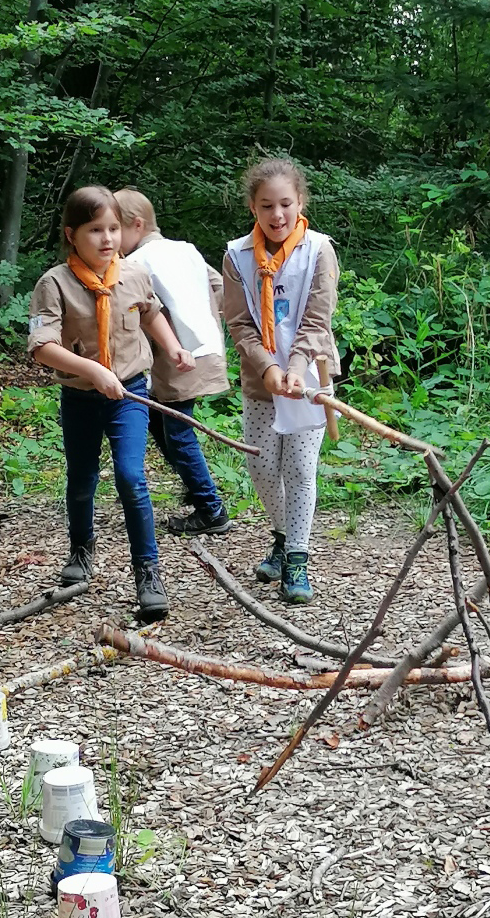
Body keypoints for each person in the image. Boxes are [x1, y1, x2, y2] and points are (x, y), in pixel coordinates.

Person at [28, 185, 195, 621]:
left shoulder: (134, 274)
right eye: (95, 230)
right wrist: (92, 371)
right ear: (71, 234)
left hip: (130, 392)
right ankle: (81, 549)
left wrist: (173, 347)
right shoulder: (54, 284)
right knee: (82, 478)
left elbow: (150, 312)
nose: (107, 239)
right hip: (81, 396)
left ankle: (148, 571)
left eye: (114, 229)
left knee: (130, 476)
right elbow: (42, 346)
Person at [223, 158, 339, 604]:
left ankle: (297, 556)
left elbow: (317, 315)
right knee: (262, 466)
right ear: (253, 206)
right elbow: (237, 321)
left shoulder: (318, 249)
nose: (277, 215)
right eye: (267, 205)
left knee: (300, 468)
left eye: (285, 204)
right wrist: (268, 368)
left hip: (309, 374)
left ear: (300, 202)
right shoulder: (237, 256)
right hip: (260, 378)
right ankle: (281, 532)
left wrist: (294, 367)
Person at [115, 188, 232, 535]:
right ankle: (194, 484)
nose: (109, 237)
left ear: (136, 225)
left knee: (179, 432)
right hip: (205, 349)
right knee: (157, 419)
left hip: (176, 357)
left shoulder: (136, 263)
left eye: (114, 229)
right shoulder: (186, 250)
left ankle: (210, 509)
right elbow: (220, 287)